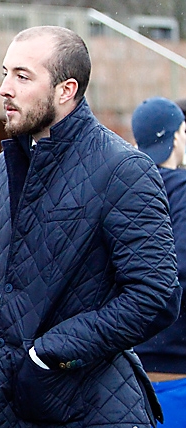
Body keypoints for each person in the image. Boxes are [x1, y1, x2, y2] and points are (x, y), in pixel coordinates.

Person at [0, 26, 181, 428]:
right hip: (6, 407)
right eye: (5, 73)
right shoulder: (6, 166)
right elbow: (4, 282)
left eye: (23, 76)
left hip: (94, 410)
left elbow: (156, 295)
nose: (4, 89)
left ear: (66, 90)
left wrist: (49, 355)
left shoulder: (123, 169)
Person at [131, 96, 186, 427]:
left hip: (128, 371)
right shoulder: (183, 190)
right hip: (178, 365)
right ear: (177, 136)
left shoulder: (123, 187)